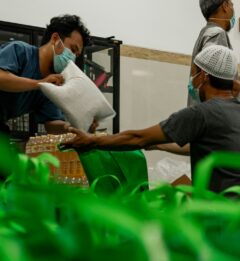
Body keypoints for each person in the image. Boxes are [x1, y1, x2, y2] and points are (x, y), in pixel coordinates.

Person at [60, 45, 240, 193]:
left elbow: (138, 138)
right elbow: (204, 146)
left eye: (194, 72)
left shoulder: (200, 114)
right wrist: (158, 144)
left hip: (217, 217)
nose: (192, 78)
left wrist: (93, 140)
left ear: (203, 75)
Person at [0, 14, 94, 135]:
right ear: (55, 39)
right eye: (73, 49)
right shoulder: (20, 51)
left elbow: (51, 124)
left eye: (76, 55)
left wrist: (76, 126)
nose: (73, 57)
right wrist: (39, 83)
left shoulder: (52, 85)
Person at [188, 0, 236, 107]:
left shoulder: (206, 32)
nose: (233, 10)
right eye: (232, 5)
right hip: (213, 118)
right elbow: (217, 86)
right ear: (225, 5)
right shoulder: (217, 34)